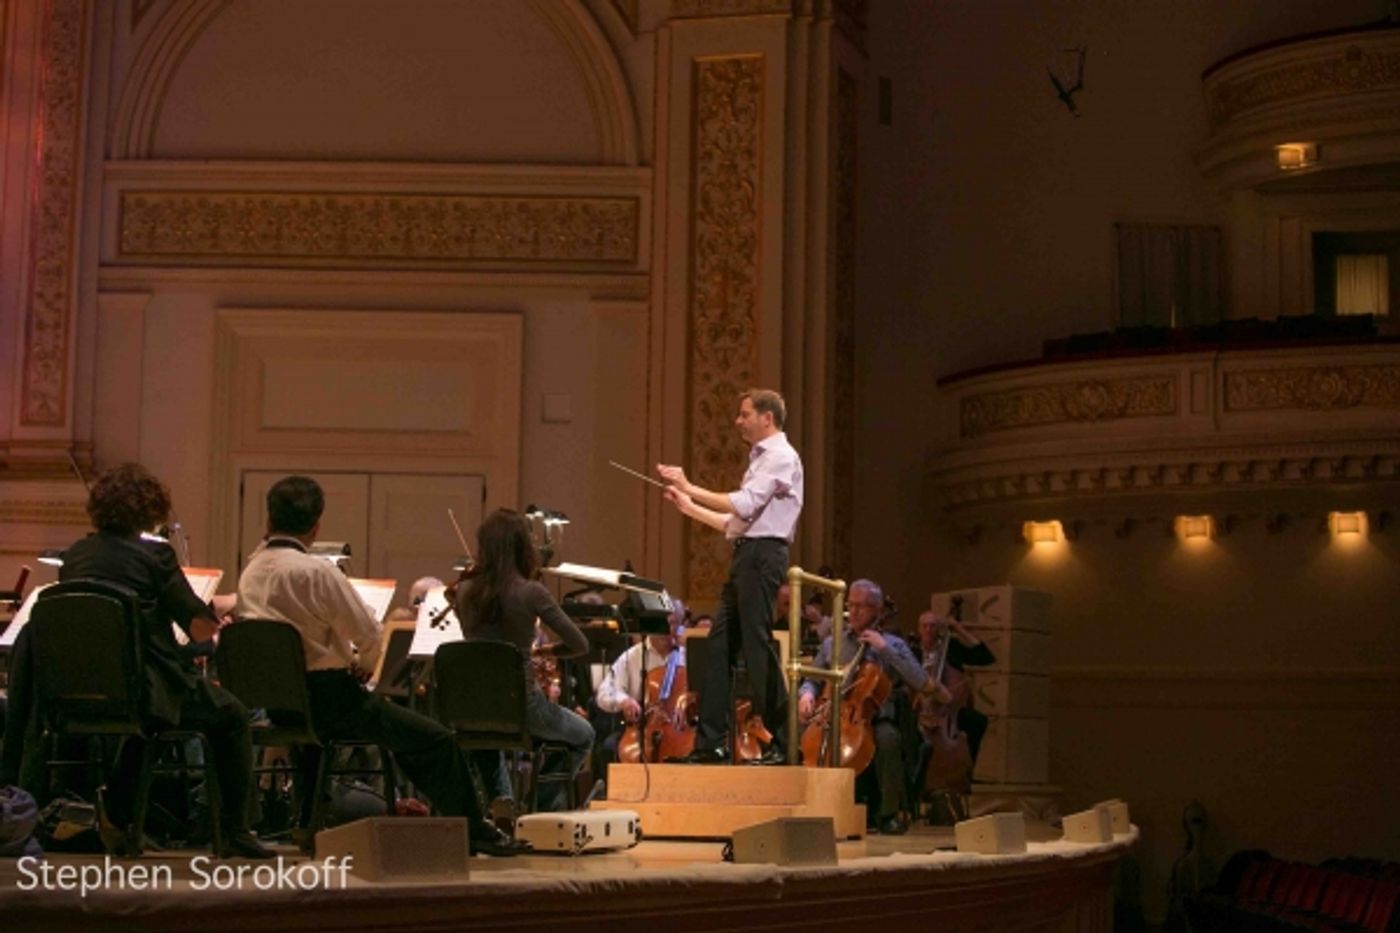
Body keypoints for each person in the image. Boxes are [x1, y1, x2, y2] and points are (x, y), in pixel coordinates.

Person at [235, 476, 527, 855]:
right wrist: (364, 664)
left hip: (278, 705)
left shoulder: (250, 573)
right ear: (315, 527)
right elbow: (370, 635)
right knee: (436, 740)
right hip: (330, 702)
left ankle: (309, 818)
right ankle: (474, 830)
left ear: (269, 520)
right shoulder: (317, 572)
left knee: (382, 733)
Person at [1, 463, 270, 858]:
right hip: (143, 692)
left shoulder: (75, 556)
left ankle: (120, 811)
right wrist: (218, 624)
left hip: (77, 693)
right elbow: (197, 626)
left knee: (151, 722)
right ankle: (235, 830)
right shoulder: (156, 556)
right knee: (231, 716)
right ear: (150, 509)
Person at [658, 387, 802, 765]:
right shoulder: (762, 459)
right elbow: (733, 522)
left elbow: (743, 504)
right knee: (719, 647)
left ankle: (786, 743)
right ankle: (710, 745)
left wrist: (689, 486)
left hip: (762, 556)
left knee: (756, 647)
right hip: (747, 555)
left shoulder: (780, 456)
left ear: (766, 418)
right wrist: (688, 506)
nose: (738, 421)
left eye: (744, 414)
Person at [454, 509, 594, 807]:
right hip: (524, 708)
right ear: (522, 546)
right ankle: (537, 805)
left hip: (475, 705)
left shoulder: (463, 591)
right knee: (584, 734)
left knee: (487, 737)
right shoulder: (532, 592)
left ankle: (502, 808)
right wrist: (545, 651)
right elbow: (579, 644)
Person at [798, 579, 929, 835]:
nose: (854, 611)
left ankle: (888, 813)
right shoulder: (832, 643)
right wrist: (807, 694)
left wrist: (885, 649)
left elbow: (919, 680)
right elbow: (813, 679)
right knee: (802, 735)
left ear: (878, 610)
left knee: (888, 739)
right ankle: (814, 805)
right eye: (851, 605)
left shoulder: (893, 644)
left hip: (876, 716)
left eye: (863, 606)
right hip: (834, 713)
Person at [593, 599, 687, 763]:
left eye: (673, 623)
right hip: (642, 727)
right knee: (608, 749)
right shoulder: (632, 657)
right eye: (662, 623)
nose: (667, 629)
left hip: (681, 727)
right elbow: (604, 693)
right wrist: (624, 701)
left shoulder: (688, 655)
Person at [914, 609, 996, 765]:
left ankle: (966, 769)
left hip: (948, 710)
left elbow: (985, 657)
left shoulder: (950, 648)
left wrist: (958, 628)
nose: (928, 630)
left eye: (933, 626)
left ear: (939, 629)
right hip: (919, 709)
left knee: (977, 722)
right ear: (919, 629)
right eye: (924, 626)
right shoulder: (913, 651)